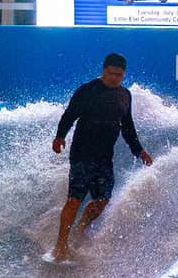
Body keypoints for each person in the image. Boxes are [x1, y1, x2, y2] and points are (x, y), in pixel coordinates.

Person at [51, 52, 153, 262]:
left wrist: (139, 150)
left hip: (104, 156)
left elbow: (128, 127)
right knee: (74, 199)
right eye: (110, 73)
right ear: (103, 70)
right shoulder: (87, 90)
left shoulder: (125, 95)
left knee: (102, 200)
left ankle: (80, 229)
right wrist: (60, 136)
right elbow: (70, 115)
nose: (114, 78)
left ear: (123, 74)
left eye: (119, 75)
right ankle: (60, 246)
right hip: (82, 154)